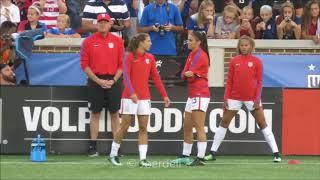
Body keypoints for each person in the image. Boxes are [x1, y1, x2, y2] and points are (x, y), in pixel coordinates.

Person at [204, 36, 281, 163]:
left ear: (251, 46)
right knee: (224, 123)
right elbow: (229, 82)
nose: (244, 47)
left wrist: (257, 99)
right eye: (242, 45)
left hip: (252, 98)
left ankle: (276, 153)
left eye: (246, 45)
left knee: (262, 123)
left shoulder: (257, 62)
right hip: (234, 98)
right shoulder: (234, 61)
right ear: (239, 47)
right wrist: (225, 98)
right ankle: (212, 153)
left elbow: (260, 82)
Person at [109, 33, 170, 167]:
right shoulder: (129, 57)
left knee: (143, 128)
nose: (150, 43)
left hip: (145, 98)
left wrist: (164, 95)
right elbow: (125, 76)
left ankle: (142, 159)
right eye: (148, 41)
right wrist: (132, 93)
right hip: (129, 97)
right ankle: (113, 154)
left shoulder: (150, 58)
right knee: (124, 126)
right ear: (141, 42)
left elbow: (156, 78)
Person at [80, 13, 124, 157]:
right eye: (100, 22)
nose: (103, 24)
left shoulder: (118, 41)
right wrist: (98, 80)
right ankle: (92, 146)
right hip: (95, 80)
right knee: (95, 113)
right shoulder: (88, 42)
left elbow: (121, 65)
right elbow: (85, 65)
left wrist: (114, 80)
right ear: (97, 24)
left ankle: (116, 148)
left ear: (110, 24)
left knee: (115, 114)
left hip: (114, 80)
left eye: (105, 22)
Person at [170, 31, 210, 166]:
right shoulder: (191, 54)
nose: (188, 42)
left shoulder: (202, 56)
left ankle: (200, 158)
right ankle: (185, 155)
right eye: (188, 40)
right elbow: (183, 74)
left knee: (199, 126)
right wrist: (188, 74)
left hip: (200, 94)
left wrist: (189, 74)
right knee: (187, 126)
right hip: (192, 94)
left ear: (199, 42)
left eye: (191, 40)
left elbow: (190, 76)